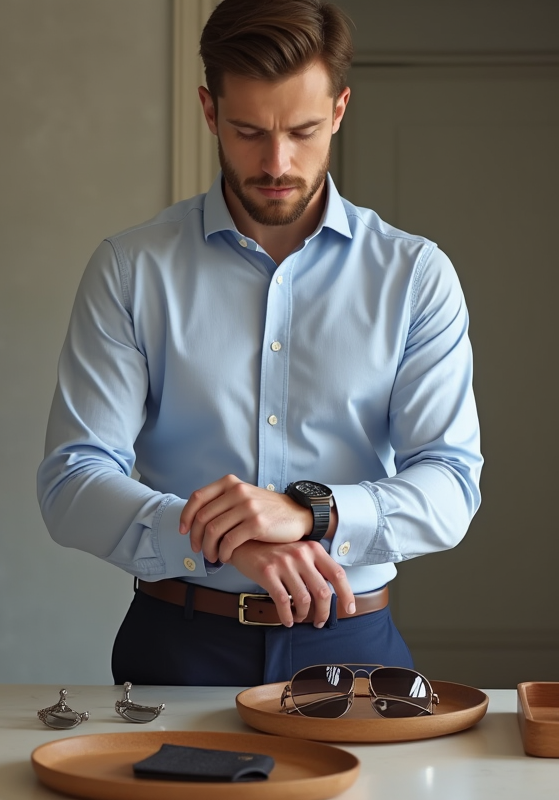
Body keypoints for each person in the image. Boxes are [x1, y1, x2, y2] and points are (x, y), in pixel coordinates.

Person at [37, 0, 481, 687]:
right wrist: (227, 543)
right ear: (210, 112)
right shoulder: (132, 269)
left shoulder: (415, 276)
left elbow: (451, 485)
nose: (277, 162)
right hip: (177, 645)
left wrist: (309, 512)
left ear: (339, 110)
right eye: (248, 131)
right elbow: (71, 480)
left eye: (303, 131)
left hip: (356, 642)